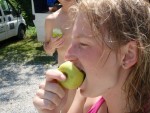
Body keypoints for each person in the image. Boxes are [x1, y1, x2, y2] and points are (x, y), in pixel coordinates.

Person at [33, 0, 150, 113]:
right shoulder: (85, 100)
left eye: (83, 44)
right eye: (72, 42)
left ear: (128, 54)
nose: (67, 56)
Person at [43, 0, 77, 65]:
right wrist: (51, 45)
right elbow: (49, 52)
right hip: (65, 71)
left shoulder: (89, 15)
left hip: (89, 71)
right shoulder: (51, 19)